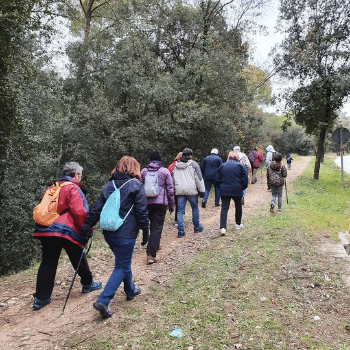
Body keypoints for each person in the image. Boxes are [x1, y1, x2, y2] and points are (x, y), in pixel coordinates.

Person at [81, 156, 149, 319]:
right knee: (122, 265)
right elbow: (141, 211)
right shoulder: (136, 185)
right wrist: (146, 231)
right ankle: (103, 300)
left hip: (109, 233)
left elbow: (97, 209)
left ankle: (130, 290)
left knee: (123, 262)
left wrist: (86, 226)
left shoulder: (108, 186)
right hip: (126, 233)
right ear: (135, 168)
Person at [32, 162, 102, 310]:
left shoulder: (52, 188)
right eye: (80, 175)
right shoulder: (72, 188)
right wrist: (86, 229)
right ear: (76, 175)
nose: (81, 178)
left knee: (48, 262)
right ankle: (88, 284)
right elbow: (79, 212)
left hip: (46, 229)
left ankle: (41, 298)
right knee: (77, 255)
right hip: (64, 230)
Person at [141, 150, 175, 264]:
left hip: (147, 203)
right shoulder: (164, 171)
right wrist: (171, 204)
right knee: (157, 227)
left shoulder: (144, 171)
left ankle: (154, 244)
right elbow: (170, 189)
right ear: (160, 160)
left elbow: (139, 188)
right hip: (160, 203)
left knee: (152, 225)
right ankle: (151, 254)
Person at [172, 148, 205, 238]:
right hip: (191, 190)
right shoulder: (194, 164)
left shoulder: (176, 165)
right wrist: (202, 190)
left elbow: (173, 179)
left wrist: (175, 188)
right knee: (194, 208)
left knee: (180, 211)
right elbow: (199, 179)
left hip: (179, 190)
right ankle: (197, 227)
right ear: (191, 155)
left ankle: (181, 231)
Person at [218, 152, 248, 235]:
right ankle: (237, 224)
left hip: (224, 189)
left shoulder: (222, 166)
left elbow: (217, 178)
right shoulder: (240, 166)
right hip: (237, 189)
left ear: (228, 157)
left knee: (224, 208)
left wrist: (220, 187)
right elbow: (245, 179)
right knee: (238, 206)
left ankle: (223, 227)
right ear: (237, 158)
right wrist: (243, 187)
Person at [168, 152, 182, 226]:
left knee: (177, 203)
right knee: (179, 204)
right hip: (179, 186)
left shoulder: (171, 165)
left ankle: (177, 218)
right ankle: (177, 219)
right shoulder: (179, 165)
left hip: (173, 186)